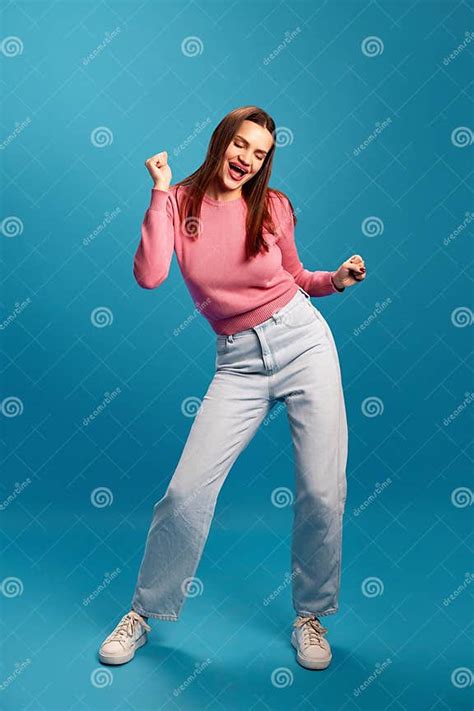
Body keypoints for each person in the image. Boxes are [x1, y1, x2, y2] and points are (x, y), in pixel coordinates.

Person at [98, 105, 366, 671]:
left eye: (261, 153)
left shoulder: (272, 206)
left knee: (322, 489)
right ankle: (143, 613)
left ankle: (310, 615)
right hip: (238, 363)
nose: (247, 159)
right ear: (221, 141)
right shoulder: (177, 203)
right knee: (185, 492)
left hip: (303, 343)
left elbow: (296, 277)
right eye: (241, 145)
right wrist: (159, 192)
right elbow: (149, 276)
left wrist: (334, 282)